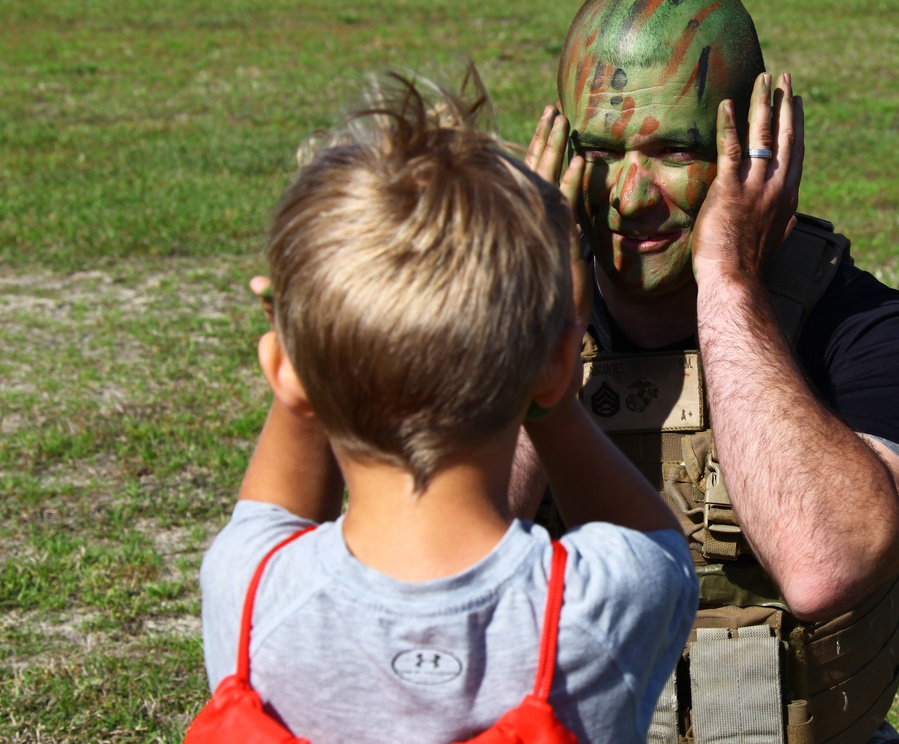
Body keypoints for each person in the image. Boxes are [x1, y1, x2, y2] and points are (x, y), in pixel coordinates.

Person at [519, 0, 899, 744]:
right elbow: (439, 569)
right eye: (599, 150)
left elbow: (824, 565)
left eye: (673, 151)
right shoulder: (509, 333)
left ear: (761, 141)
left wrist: (725, 282)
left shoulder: (877, 339)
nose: (629, 197)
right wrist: (530, 334)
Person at [197, 72, 699, 744]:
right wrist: (557, 383)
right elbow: (659, 547)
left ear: (285, 369)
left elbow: (272, 513)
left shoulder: (249, 595)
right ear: (555, 368)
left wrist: (300, 340)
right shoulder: (597, 608)